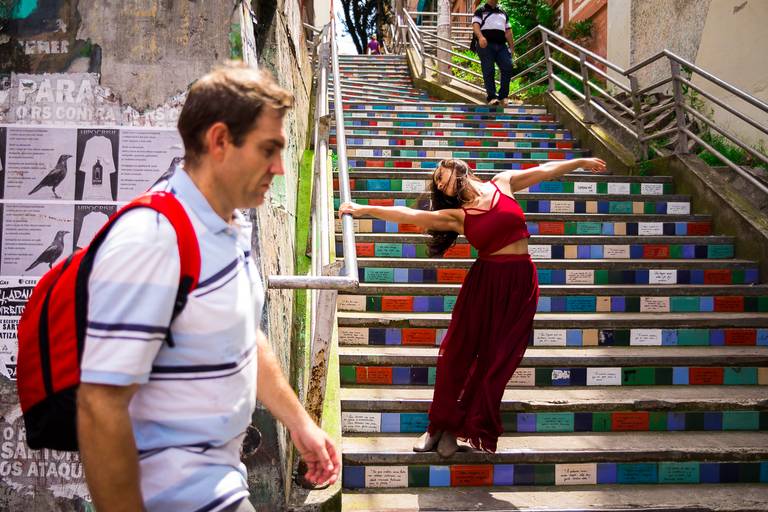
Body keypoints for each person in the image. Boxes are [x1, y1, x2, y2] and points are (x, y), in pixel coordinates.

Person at [77, 62, 340, 512]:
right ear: (220, 141)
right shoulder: (155, 238)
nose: (279, 167)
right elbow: (100, 404)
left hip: (220, 485)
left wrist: (299, 422)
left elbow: (242, 337)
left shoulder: (228, 230)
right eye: (268, 150)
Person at [339, 156, 607, 457]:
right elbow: (409, 215)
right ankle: (437, 426)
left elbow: (543, 171)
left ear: (459, 167)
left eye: (442, 176)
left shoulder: (503, 182)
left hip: (520, 283)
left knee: (497, 359)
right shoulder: (458, 216)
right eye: (438, 183)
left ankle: (457, 428)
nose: (441, 184)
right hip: (485, 283)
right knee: (458, 354)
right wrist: (363, 209)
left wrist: (580, 161)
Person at [472, 0, 515, 106]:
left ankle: (503, 96)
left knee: (508, 66)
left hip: (501, 45)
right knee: (488, 69)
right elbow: (475, 25)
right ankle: (492, 97)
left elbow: (508, 31)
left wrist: (512, 48)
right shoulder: (480, 10)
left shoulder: (503, 12)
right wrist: (481, 37)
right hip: (486, 45)